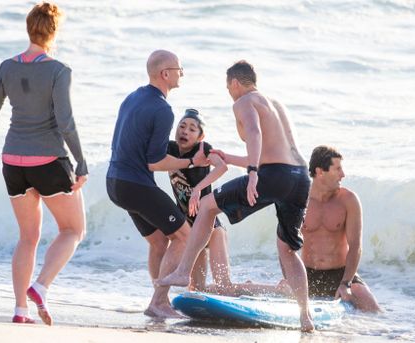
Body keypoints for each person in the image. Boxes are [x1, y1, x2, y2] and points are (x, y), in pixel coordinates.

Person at [157, 60, 315, 331]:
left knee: (206, 206)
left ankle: (184, 271)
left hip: (271, 174)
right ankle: (305, 318)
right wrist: (229, 158)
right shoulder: (275, 104)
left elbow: (254, 135)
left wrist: (253, 173)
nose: (229, 93)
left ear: (235, 83)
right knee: (288, 250)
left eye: (228, 87)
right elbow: (272, 155)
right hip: (300, 177)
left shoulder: (243, 101)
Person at [0, 2, 87, 326]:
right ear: (54, 32)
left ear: (29, 28)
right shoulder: (58, 70)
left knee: (28, 237)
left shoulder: (6, 67)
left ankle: (20, 310)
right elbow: (66, 123)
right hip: (49, 160)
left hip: (13, 162)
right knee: (73, 230)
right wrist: (81, 161)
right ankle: (40, 286)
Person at [106, 50, 208, 318]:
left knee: (159, 241)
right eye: (179, 69)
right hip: (135, 184)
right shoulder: (162, 109)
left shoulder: (132, 97)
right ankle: (159, 302)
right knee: (184, 235)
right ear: (165, 74)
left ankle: (156, 300)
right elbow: (155, 162)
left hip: (115, 182)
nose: (181, 73)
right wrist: (190, 164)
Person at [168, 109, 288, 296]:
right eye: (182, 126)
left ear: (201, 136)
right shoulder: (170, 150)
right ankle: (248, 287)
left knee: (225, 287)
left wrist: (198, 188)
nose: (185, 131)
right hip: (191, 231)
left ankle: (278, 290)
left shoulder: (203, 149)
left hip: (211, 229)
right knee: (196, 290)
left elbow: (222, 166)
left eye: (192, 129)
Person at [299, 145, 381, 312]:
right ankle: (234, 290)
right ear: (320, 172)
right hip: (307, 274)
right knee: (281, 290)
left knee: (372, 307)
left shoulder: (348, 200)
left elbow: (355, 246)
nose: (343, 175)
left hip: (339, 274)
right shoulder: (299, 198)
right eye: (337, 169)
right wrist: (291, 277)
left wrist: (346, 283)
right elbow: (286, 243)